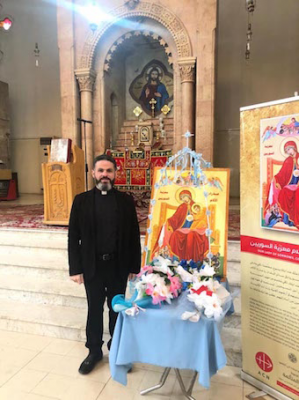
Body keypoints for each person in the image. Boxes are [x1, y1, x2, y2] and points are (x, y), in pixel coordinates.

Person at [68, 154, 141, 374]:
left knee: (116, 309)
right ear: (93, 174)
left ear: (116, 174)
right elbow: (74, 237)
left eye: (109, 171)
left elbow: (134, 236)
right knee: (94, 309)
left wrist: (133, 267)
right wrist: (76, 269)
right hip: (92, 267)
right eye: (101, 171)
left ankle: (116, 348)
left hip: (118, 266)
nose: (105, 175)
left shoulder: (126, 201)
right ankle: (94, 351)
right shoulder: (81, 201)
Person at [152, 189, 209, 262]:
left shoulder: (196, 206)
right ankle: (178, 259)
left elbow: (202, 216)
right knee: (175, 234)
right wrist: (168, 221)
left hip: (195, 227)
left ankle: (192, 260)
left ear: (189, 196)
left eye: (184, 197)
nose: (183, 199)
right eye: (181, 198)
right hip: (183, 228)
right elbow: (175, 217)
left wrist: (195, 218)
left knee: (191, 236)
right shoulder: (182, 207)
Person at [266, 141, 299, 229]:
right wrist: (276, 178)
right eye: (287, 150)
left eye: (290, 149)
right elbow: (282, 173)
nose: (289, 151)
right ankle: (287, 220)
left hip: (298, 183)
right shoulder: (288, 160)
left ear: (294, 147)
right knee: (285, 192)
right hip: (290, 184)